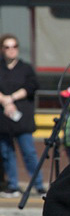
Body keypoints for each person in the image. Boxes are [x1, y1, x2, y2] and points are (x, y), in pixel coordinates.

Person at [0, 34, 44, 197]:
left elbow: (32, 86)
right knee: (6, 153)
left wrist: (10, 98)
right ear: (2, 49)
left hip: (22, 117)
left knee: (29, 152)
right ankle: (12, 185)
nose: (11, 50)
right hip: (3, 119)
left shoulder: (25, 68)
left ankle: (38, 185)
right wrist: (4, 101)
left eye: (14, 46)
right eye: (7, 47)